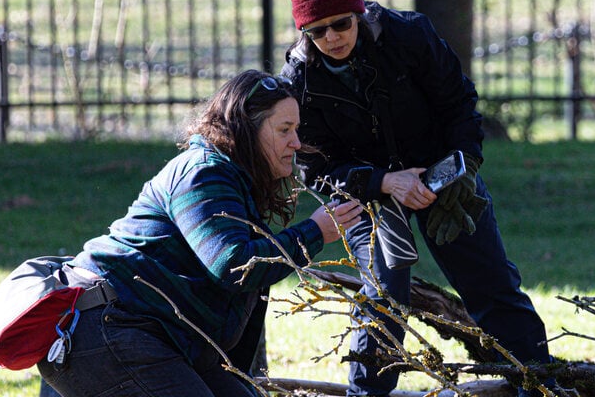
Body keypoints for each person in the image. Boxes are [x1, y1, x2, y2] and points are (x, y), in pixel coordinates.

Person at [280, 0, 552, 395]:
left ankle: (539, 385)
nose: (332, 37)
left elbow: (459, 105)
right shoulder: (299, 81)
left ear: (358, 11)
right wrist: (383, 183)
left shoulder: (408, 36)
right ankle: (367, 394)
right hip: (367, 192)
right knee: (382, 299)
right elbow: (313, 166)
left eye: (341, 23)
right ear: (304, 33)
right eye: (317, 30)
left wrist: (459, 169)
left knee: (492, 284)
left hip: (439, 174)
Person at [35, 69, 364, 397]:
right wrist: (315, 231)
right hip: (104, 329)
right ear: (246, 130)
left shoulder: (233, 178)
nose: (296, 142)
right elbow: (235, 265)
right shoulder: (204, 172)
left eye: (296, 129)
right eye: (284, 130)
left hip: (156, 335)